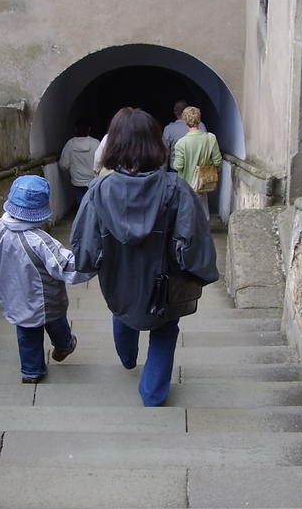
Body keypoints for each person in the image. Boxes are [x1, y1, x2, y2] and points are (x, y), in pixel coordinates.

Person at [71, 107, 219, 406]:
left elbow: (85, 247)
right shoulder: (176, 189)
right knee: (165, 329)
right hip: (165, 281)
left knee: (122, 312)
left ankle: (128, 358)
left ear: (114, 145)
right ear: (156, 143)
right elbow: (193, 241)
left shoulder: (98, 190)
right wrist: (202, 272)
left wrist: (87, 265)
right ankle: (153, 394)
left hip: (118, 276)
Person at [0, 175, 95, 383]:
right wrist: (95, 263)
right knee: (57, 322)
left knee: (27, 333)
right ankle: (64, 345)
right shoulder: (40, 241)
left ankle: (31, 372)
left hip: (13, 294)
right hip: (45, 298)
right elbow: (67, 266)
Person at [173, 105, 222, 217]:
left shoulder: (181, 143)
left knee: (187, 214)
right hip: (202, 184)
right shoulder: (210, 138)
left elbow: (178, 166)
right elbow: (218, 161)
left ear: (185, 121)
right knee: (203, 214)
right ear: (199, 120)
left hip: (186, 184)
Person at [59, 121, 100, 205]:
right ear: (89, 129)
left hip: (77, 182)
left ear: (75, 130)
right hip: (93, 181)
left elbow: (63, 165)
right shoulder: (96, 143)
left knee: (81, 205)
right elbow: (102, 162)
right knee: (94, 205)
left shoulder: (70, 144)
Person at [162, 99, 206, 171]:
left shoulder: (169, 129)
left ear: (175, 112)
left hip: (177, 171)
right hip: (196, 171)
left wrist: (163, 172)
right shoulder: (201, 125)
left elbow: (164, 153)